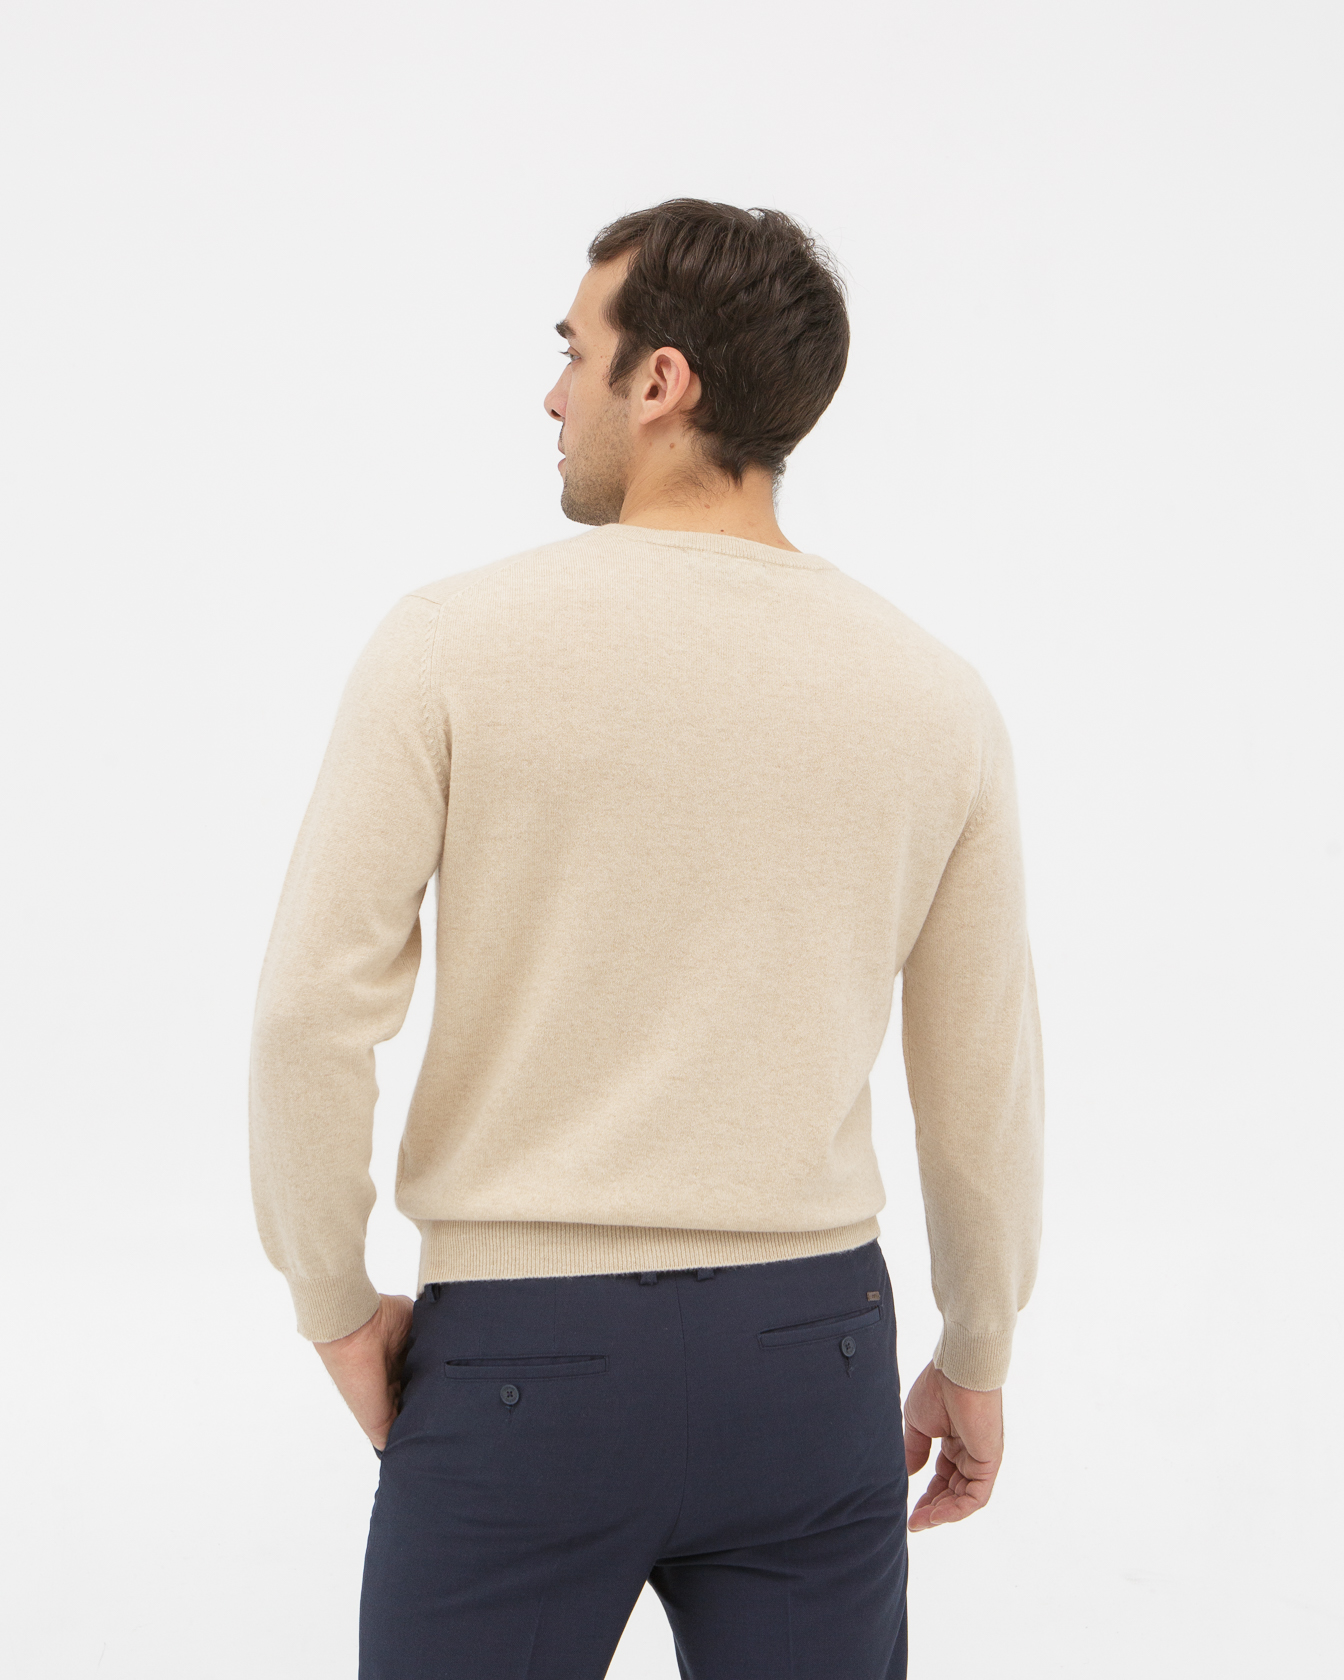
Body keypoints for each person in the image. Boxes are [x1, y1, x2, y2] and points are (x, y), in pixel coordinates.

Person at [249, 197, 1044, 1680]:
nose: (554, 396)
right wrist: (979, 1348)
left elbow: (312, 1012)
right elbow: (981, 1081)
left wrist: (336, 1308)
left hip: (520, 1363)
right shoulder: (936, 697)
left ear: (661, 381)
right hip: (814, 1358)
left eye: (575, 351)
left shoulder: (450, 644)